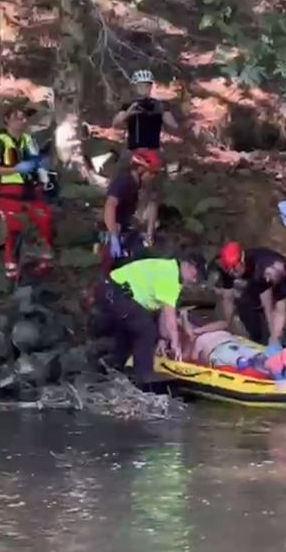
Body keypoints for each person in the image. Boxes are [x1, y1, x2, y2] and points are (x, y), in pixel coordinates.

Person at [95, 253, 205, 383]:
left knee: (130, 332)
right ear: (188, 265)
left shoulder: (172, 273)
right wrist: (175, 345)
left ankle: (110, 366)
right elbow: (170, 318)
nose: (194, 281)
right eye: (195, 276)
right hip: (114, 292)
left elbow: (163, 314)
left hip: (116, 292)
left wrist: (164, 339)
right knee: (146, 329)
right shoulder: (169, 275)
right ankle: (144, 376)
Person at [0, 106, 54, 280]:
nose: (23, 121)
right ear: (7, 120)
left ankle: (43, 259)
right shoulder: (1, 141)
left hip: (31, 190)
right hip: (10, 191)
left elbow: (36, 162)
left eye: (25, 118)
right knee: (12, 226)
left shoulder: (28, 140)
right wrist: (15, 169)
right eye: (18, 117)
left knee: (44, 218)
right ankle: (10, 263)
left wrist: (43, 174)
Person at [112, 70, 177, 244]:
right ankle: (122, 225)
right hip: (132, 151)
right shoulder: (128, 104)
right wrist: (129, 114)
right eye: (141, 85)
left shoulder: (159, 105)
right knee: (123, 187)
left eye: (147, 85)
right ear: (134, 86)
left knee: (152, 192)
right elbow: (116, 123)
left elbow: (173, 124)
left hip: (153, 151)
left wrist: (163, 113)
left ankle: (148, 235)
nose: (144, 89)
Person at [102, 148, 161, 273]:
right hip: (113, 228)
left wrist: (149, 235)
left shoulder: (139, 185)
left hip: (128, 226)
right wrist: (113, 236)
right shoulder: (124, 181)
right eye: (152, 174)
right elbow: (110, 206)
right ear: (141, 170)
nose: (153, 178)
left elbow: (151, 205)